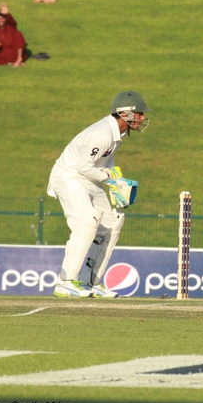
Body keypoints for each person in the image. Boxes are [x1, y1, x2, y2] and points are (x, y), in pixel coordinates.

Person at [47, 91, 152, 298]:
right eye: (139, 113)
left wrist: (116, 181)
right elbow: (83, 166)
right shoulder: (103, 134)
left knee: (111, 225)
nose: (142, 118)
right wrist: (110, 181)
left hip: (89, 178)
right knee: (87, 222)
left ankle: (90, 282)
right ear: (125, 113)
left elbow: (105, 162)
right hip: (70, 177)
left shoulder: (117, 134)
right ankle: (65, 282)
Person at [0, 3, 29, 67]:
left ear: (5, 19)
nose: (0, 21)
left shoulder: (10, 26)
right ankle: (11, 63)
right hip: (3, 52)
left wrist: (8, 14)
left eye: (2, 18)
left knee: (18, 34)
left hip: (13, 51)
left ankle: (19, 59)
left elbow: (13, 22)